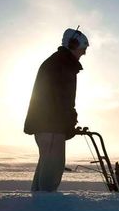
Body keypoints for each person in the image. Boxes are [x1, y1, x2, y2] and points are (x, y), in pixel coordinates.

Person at [24, 28, 89, 192]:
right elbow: (62, 99)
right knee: (52, 172)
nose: (84, 54)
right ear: (73, 45)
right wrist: (69, 123)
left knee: (46, 166)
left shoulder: (57, 62)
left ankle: (37, 208)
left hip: (46, 125)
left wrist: (68, 123)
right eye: (83, 49)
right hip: (51, 126)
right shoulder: (63, 64)